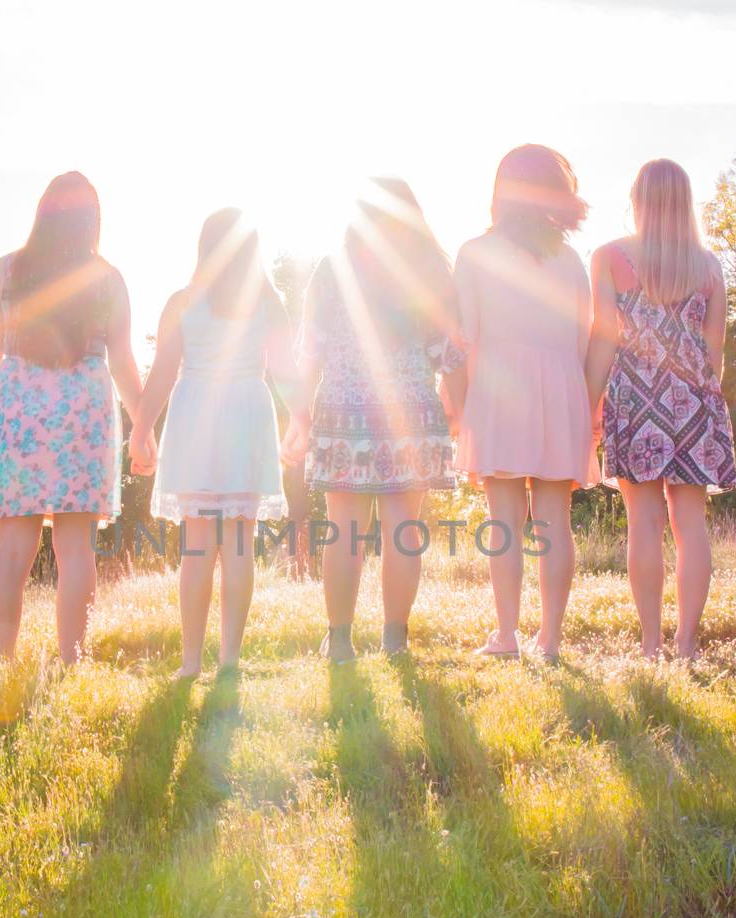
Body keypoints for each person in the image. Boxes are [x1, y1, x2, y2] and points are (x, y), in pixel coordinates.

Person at [282, 178, 465, 662]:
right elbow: (450, 355)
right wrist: (460, 415)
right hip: (410, 412)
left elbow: (310, 354)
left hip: (343, 411)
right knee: (404, 531)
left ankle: (339, 641)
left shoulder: (331, 271)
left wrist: (298, 416)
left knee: (343, 530)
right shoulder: (427, 272)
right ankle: (394, 640)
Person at [0, 172, 144, 664]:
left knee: (12, 551)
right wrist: (145, 427)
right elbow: (125, 362)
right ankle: (73, 660)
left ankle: (2, 663)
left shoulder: (4, 271)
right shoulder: (108, 278)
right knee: (76, 549)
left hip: (17, 406)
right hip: (83, 410)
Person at [128, 209, 297, 680]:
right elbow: (286, 372)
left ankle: (190, 662)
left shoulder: (182, 302)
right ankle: (229, 661)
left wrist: (142, 428)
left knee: (197, 546)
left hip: (196, 411)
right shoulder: (269, 302)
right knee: (240, 542)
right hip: (246, 410)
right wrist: (301, 418)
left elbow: (161, 371)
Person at [585, 158, 736, 661]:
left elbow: (603, 340)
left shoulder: (609, 257)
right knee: (690, 525)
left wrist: (589, 406)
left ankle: (650, 647)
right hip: (695, 400)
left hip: (635, 398)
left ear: (637, 200)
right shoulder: (710, 267)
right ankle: (687, 645)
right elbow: (715, 357)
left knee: (643, 524)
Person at [454, 145, 596, 664]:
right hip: (561, 387)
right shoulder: (571, 260)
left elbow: (465, 335)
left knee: (504, 520)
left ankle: (507, 634)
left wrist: (461, 404)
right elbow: (583, 337)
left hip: (499, 388)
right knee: (555, 519)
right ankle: (550, 640)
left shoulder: (475, 253)